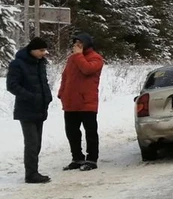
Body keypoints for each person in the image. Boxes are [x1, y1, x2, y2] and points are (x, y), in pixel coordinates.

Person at [6, 37, 54, 184]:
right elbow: (12, 85)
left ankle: (34, 171)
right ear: (32, 50)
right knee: (32, 143)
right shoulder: (17, 64)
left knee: (37, 142)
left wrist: (47, 97)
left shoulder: (40, 63)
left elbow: (43, 83)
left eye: (45, 50)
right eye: (41, 50)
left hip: (40, 108)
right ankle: (31, 174)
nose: (44, 53)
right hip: (26, 109)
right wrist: (31, 97)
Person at [58, 32, 104, 171]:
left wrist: (78, 55)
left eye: (80, 43)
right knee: (72, 132)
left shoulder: (96, 58)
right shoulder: (72, 59)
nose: (77, 46)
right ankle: (77, 157)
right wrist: (62, 93)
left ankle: (91, 159)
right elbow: (65, 76)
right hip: (71, 102)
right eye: (75, 43)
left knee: (90, 131)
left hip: (87, 102)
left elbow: (87, 69)